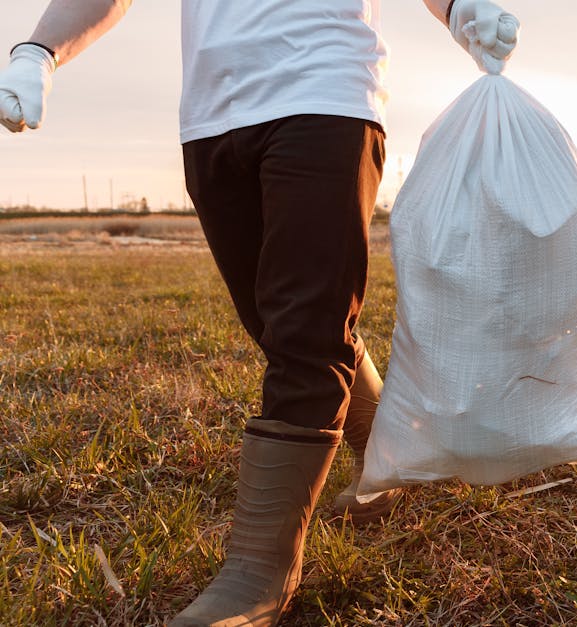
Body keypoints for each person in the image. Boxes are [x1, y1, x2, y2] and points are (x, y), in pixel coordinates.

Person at [0, 0, 518, 624]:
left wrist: (461, 7)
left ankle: (258, 574)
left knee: (306, 332)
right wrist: (39, 51)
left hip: (326, 92)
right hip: (212, 114)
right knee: (279, 323)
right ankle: (391, 444)